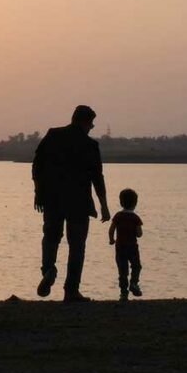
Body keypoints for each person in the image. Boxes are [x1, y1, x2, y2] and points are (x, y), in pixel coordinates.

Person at [32, 105, 110, 302]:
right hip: (79, 202)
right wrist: (104, 205)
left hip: (52, 199)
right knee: (77, 246)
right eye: (91, 123)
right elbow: (97, 177)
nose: (92, 127)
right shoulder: (90, 145)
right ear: (84, 122)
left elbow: (37, 166)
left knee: (51, 238)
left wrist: (38, 193)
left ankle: (48, 269)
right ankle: (71, 290)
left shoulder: (53, 136)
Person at [109, 188, 143, 301]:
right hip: (132, 247)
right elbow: (139, 234)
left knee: (122, 271)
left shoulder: (118, 216)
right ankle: (134, 283)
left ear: (121, 202)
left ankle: (123, 293)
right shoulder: (135, 218)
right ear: (135, 203)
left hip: (120, 248)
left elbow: (112, 228)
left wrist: (111, 239)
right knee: (136, 266)